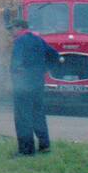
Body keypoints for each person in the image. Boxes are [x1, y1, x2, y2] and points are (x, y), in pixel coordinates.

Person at [10, 16, 61, 156]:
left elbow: (16, 63)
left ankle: (26, 150)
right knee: (38, 114)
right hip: (38, 83)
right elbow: (55, 56)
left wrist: (16, 77)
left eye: (12, 28)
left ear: (20, 28)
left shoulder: (19, 41)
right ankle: (44, 145)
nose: (11, 32)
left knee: (23, 117)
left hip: (23, 85)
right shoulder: (38, 39)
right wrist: (44, 69)